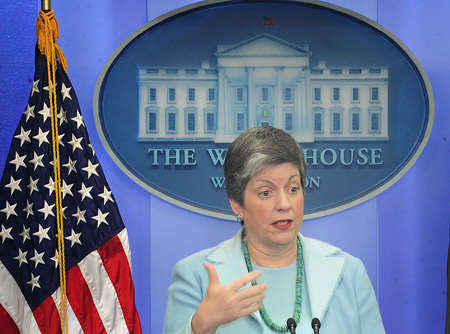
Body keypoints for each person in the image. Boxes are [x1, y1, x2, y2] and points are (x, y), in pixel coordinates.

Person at [163, 126, 385, 334]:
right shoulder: (196, 276)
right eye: (266, 192)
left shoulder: (349, 272)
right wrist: (199, 325)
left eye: (293, 188)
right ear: (237, 204)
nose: (284, 203)